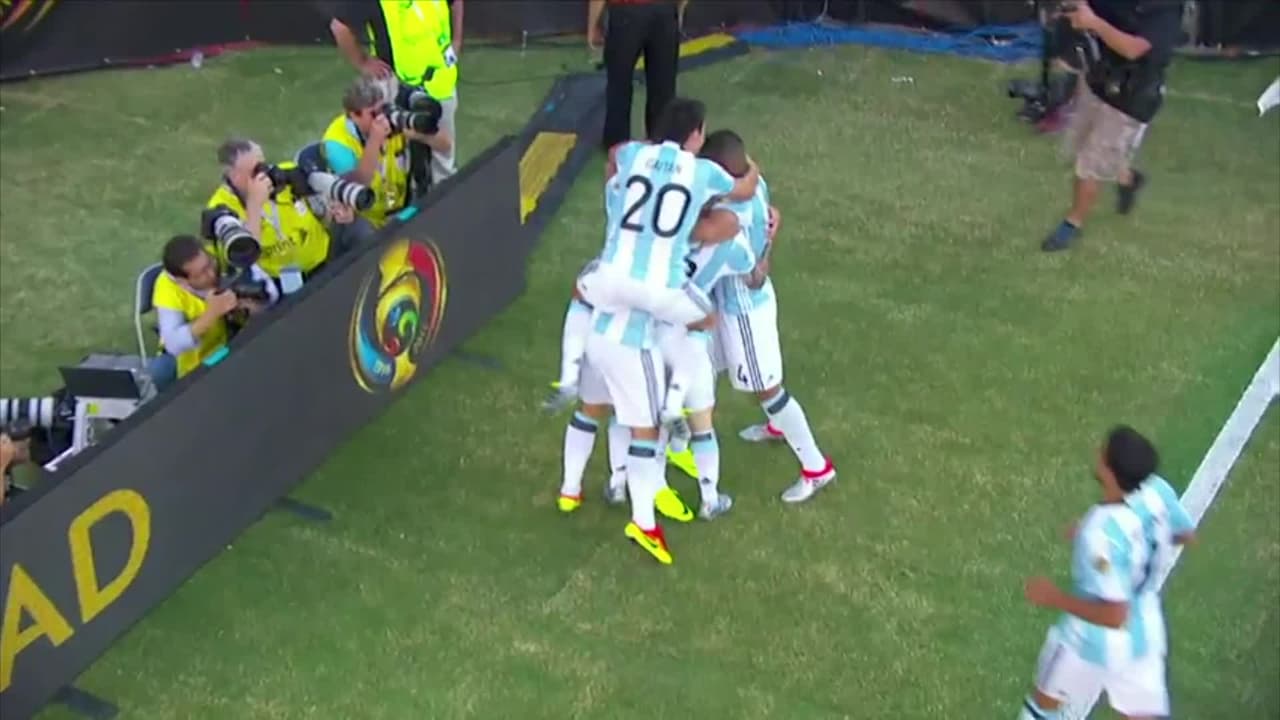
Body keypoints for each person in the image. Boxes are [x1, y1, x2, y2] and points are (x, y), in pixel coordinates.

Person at [574, 99, 757, 442]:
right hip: (662, 295)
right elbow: (744, 191)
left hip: (615, 287)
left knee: (607, 403)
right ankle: (674, 404)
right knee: (703, 324)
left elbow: (614, 155)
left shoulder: (633, 161)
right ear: (695, 134)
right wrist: (752, 167)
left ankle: (571, 369)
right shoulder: (702, 175)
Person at [1019, 426, 1195, 720]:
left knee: (1043, 710)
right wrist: (1129, 546)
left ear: (1109, 470)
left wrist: (1054, 597)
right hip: (1145, 633)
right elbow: (1185, 534)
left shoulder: (1101, 533)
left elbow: (1114, 615)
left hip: (1089, 641)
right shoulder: (1157, 491)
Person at [701, 129, 837, 504]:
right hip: (733, 306)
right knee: (705, 371)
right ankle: (777, 427)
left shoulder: (732, 215)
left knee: (767, 389)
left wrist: (760, 254)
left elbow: (755, 277)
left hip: (744, 310)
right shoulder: (755, 182)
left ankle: (816, 468)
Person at [1040, 0, 1184, 252]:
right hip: (1097, 80)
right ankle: (1128, 179)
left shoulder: (1165, 9)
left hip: (1130, 97)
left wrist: (1094, 23)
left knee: (1089, 164)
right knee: (1082, 147)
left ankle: (1073, 223)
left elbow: (1133, 48)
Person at [330, 0, 462, 189]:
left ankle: (443, 198)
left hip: (440, 80)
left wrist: (456, 40)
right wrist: (363, 62)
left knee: (442, 160)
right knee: (396, 157)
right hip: (394, 85)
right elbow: (340, 27)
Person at [207, 138, 372, 289]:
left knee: (358, 227)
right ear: (234, 177)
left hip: (324, 257)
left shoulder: (286, 174)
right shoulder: (222, 208)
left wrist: (338, 209)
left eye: (263, 165)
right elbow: (245, 257)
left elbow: (323, 203)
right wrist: (254, 205)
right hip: (279, 284)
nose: (263, 174)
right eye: (255, 171)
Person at [147, 234, 279, 391]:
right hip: (195, 363)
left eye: (210, 263)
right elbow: (173, 344)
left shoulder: (222, 252)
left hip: (233, 341)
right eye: (202, 273)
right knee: (161, 370)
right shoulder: (167, 289)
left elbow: (271, 293)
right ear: (183, 282)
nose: (211, 273)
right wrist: (212, 314)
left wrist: (250, 305)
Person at [322, 76, 452, 228]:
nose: (381, 117)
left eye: (382, 109)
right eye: (373, 114)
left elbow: (446, 145)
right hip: (365, 219)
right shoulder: (337, 144)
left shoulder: (394, 119)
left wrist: (419, 135)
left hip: (403, 206)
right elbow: (357, 185)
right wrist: (375, 141)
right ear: (354, 115)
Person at [589, 0, 681, 152]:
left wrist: (592, 26)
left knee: (619, 84)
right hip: (665, 10)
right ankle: (660, 143)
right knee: (663, 86)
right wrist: (677, 11)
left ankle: (617, 144)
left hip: (626, 12)